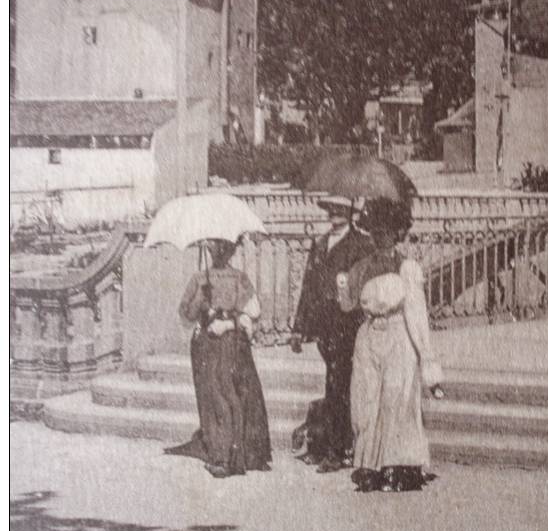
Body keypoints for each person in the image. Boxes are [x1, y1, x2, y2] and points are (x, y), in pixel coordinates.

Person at [337, 199, 444, 493]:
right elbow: (348, 306)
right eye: (375, 231)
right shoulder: (361, 267)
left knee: (395, 400)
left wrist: (427, 359)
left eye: (386, 231)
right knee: (368, 400)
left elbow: (416, 312)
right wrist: (342, 286)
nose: (380, 237)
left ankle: (398, 467)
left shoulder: (406, 268)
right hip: (370, 336)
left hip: (399, 335)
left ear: (397, 233)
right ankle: (370, 465)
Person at [166, 239, 271, 478]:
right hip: (206, 343)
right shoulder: (200, 279)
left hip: (231, 342)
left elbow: (253, 312)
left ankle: (228, 456)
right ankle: (221, 450)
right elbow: (186, 314)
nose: (220, 252)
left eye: (225, 248)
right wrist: (200, 301)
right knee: (212, 395)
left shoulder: (239, 278)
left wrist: (229, 322)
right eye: (216, 248)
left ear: (231, 251)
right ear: (210, 251)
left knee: (229, 393)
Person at [290, 195, 374, 472]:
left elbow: (367, 286)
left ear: (351, 212)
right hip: (324, 326)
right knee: (334, 382)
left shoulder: (362, 244)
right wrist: (299, 328)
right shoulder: (320, 244)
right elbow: (308, 287)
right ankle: (333, 446)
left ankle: (338, 450)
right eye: (330, 208)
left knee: (340, 384)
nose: (334, 213)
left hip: (349, 324)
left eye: (340, 208)